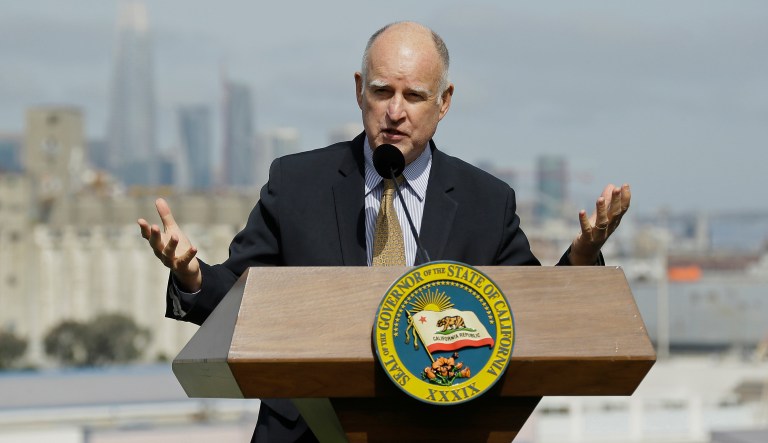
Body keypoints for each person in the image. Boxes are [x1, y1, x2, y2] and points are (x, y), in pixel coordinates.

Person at [138, 21, 630, 442]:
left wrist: (581, 257)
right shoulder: (297, 183)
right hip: (307, 430)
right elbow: (238, 298)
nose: (395, 112)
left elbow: (533, 316)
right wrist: (192, 276)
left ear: (444, 102)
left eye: (414, 96)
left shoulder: (486, 201)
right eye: (381, 92)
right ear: (359, 90)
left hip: (439, 427)